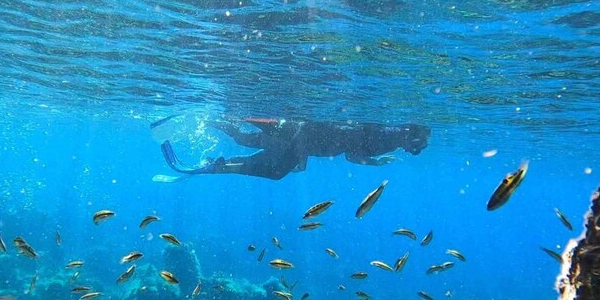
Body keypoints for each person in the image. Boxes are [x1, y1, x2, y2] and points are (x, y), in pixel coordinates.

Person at [158, 118, 430, 180]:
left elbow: (349, 149)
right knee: (273, 168)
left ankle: (214, 123)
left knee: (249, 143)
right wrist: (301, 155)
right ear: (412, 136)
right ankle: (216, 162)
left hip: (301, 140)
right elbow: (349, 148)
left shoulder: (389, 136)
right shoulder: (386, 136)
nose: (413, 149)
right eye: (417, 144)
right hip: (300, 138)